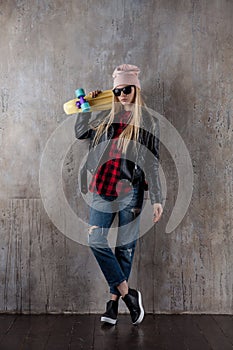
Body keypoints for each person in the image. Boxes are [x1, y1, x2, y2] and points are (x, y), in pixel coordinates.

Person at [75, 64, 163, 325]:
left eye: (127, 89)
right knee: (96, 240)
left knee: (124, 249)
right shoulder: (105, 118)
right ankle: (129, 295)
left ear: (135, 89)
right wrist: (86, 107)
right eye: (118, 90)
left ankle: (112, 304)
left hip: (131, 191)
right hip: (102, 187)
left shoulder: (148, 121)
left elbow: (153, 162)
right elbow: (81, 133)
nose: (122, 94)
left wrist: (157, 198)